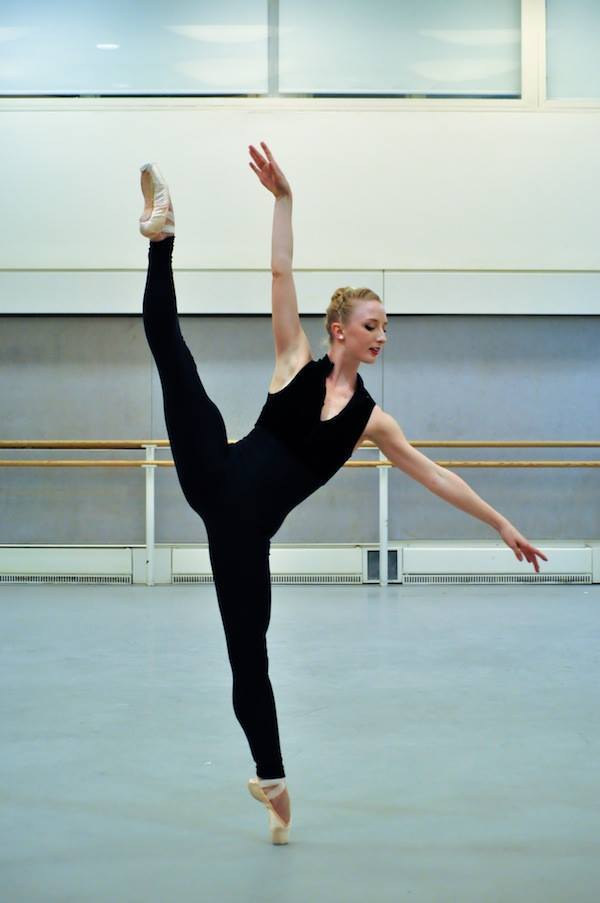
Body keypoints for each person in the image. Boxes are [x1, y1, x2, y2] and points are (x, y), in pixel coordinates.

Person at [139, 145, 548, 845]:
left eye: (385, 327)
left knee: (250, 659)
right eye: (371, 324)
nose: (381, 335)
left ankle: (272, 780)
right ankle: (162, 236)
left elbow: (435, 474)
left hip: (243, 536)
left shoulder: (373, 421)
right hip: (216, 469)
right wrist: (284, 201)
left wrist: (501, 522)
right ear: (339, 331)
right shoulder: (295, 355)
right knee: (171, 356)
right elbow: (280, 270)